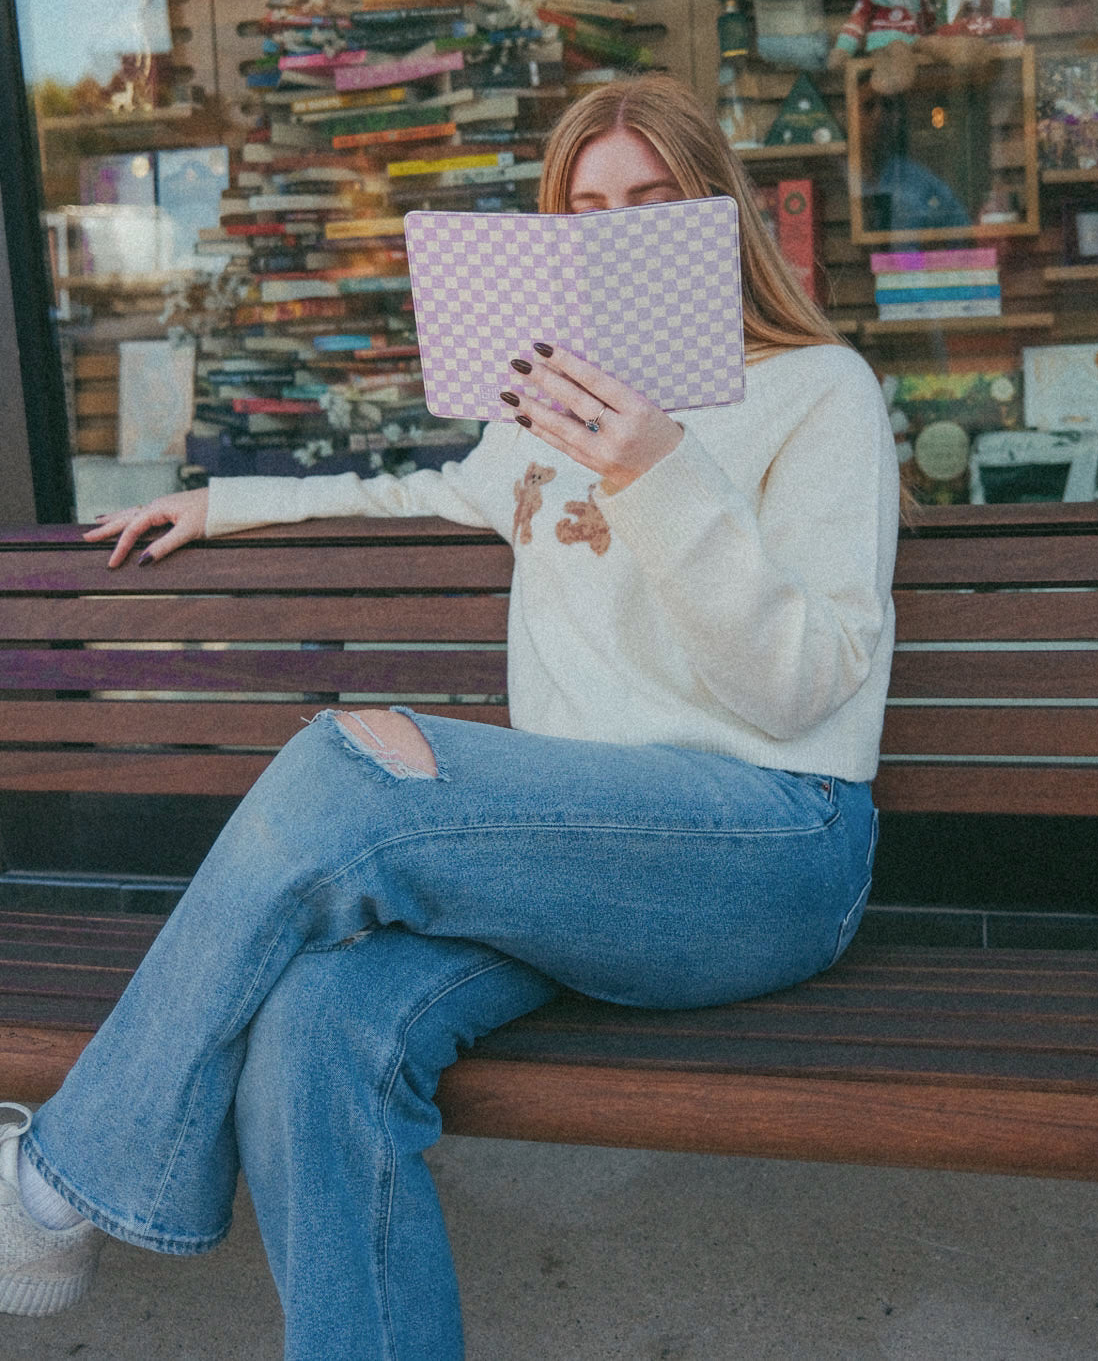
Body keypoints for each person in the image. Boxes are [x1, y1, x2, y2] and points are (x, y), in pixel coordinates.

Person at [0, 75, 900, 1357]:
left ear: (718, 213)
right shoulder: (541, 413)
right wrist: (228, 505)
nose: (617, 229)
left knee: (348, 772)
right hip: (568, 867)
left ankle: (58, 1181)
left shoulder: (820, 389)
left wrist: (655, 472)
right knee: (315, 1028)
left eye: (652, 201)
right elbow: (417, 489)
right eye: (585, 209)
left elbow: (804, 684)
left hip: (766, 852)